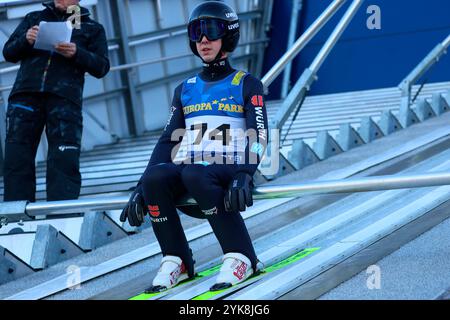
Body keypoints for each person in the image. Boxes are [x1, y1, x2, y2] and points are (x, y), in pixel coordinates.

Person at [120, 1, 268, 293]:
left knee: (195, 173)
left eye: (210, 31)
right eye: (196, 32)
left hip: (228, 169)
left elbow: (260, 134)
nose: (203, 40)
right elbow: (167, 141)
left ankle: (243, 256)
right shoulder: (185, 88)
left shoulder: (246, 83)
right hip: (197, 170)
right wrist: (140, 187)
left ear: (228, 36)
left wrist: (245, 173)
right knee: (156, 178)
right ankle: (178, 260)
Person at [2, 0, 110, 202]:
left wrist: (77, 53)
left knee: (63, 159)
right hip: (25, 96)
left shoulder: (91, 27)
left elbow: (102, 66)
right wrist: (25, 39)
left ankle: (62, 215)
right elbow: (8, 52)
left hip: (64, 101)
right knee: (17, 158)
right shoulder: (34, 18)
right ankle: (16, 217)